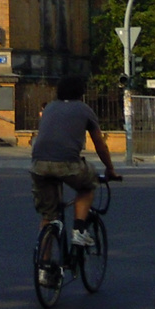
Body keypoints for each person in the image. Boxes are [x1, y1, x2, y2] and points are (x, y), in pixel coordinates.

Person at [29, 76, 118, 261]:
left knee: (48, 216)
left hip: (39, 165)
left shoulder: (50, 108)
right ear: (81, 92)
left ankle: (44, 269)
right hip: (67, 164)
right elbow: (100, 145)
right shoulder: (84, 109)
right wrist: (110, 169)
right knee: (88, 185)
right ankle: (79, 230)